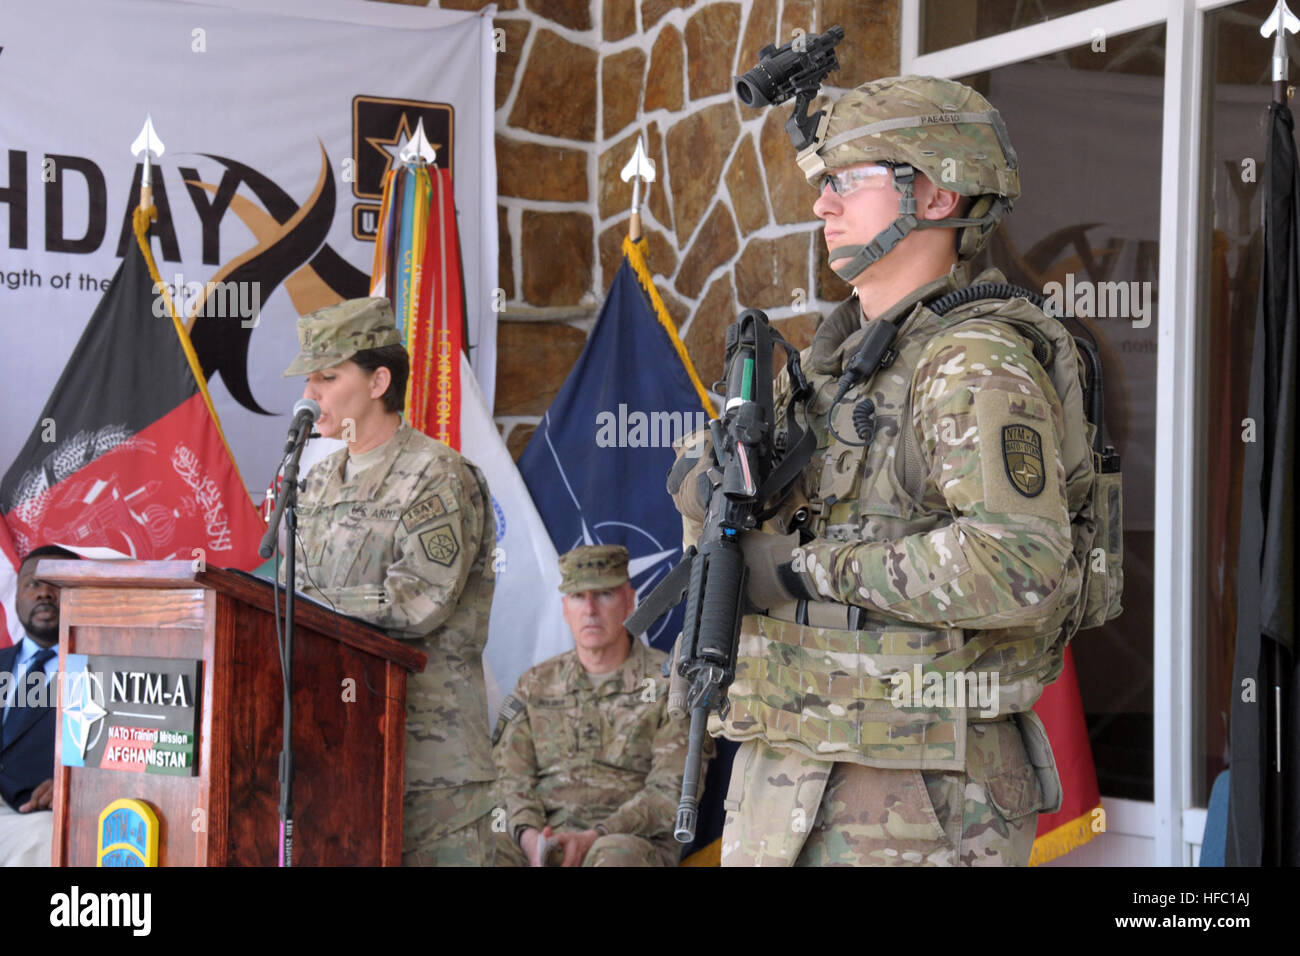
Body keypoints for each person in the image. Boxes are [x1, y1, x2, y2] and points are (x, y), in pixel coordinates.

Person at [669, 75, 1097, 866]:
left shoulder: (973, 363)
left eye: (849, 182)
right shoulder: (826, 371)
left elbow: (1020, 564)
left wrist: (806, 572)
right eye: (825, 185)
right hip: (785, 771)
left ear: (935, 196)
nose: (823, 206)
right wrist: (710, 485)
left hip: (920, 798)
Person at [282, 296, 497, 866]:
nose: (311, 395)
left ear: (379, 381)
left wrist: (300, 607)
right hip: (339, 752)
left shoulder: (436, 475)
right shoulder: (318, 478)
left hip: (431, 769)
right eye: (310, 379)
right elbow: (291, 591)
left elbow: (416, 601)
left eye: (327, 377)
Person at [491, 544, 706, 867]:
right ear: (565, 608)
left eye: (604, 594)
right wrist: (530, 838)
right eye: (578, 597)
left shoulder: (669, 683)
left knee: (613, 856)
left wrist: (595, 836)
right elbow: (510, 779)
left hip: (628, 840)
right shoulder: (535, 684)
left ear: (629, 600)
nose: (590, 609)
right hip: (542, 840)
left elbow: (671, 791)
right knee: (476, 848)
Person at [0, 545, 79, 866]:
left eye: (58, 584)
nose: (45, 593)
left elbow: (125, 750)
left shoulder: (102, 667)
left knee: (46, 838)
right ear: (16, 595)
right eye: (33, 584)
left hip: (38, 814)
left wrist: (76, 783)